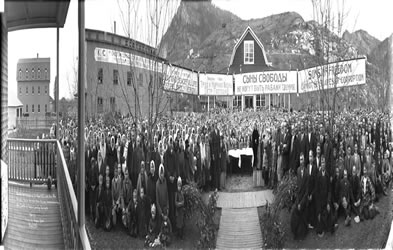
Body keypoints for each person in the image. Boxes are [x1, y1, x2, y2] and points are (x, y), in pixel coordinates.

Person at [291, 152, 308, 240]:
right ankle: (295, 232)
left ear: (304, 161)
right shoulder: (298, 170)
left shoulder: (306, 172)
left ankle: (301, 233)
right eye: (300, 159)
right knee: (294, 212)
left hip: (304, 199)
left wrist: (301, 202)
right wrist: (297, 201)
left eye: (303, 159)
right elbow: (297, 188)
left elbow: (306, 190)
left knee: (301, 212)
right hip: (298, 198)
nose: (301, 161)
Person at [315, 156, 334, 237]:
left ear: (325, 164)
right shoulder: (318, 176)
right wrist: (319, 208)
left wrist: (328, 202)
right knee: (320, 219)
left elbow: (329, 190)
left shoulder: (327, 174)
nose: (323, 164)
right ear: (320, 164)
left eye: (324, 163)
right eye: (321, 163)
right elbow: (317, 192)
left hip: (326, 201)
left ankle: (329, 226)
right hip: (320, 202)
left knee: (330, 217)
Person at [305, 149, 317, 229]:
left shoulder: (315, 168)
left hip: (313, 192)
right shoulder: (307, 166)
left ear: (313, 157)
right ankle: (308, 222)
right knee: (308, 208)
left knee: (312, 208)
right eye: (309, 156)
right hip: (307, 191)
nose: (310, 158)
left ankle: (312, 222)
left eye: (311, 156)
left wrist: (312, 194)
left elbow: (316, 183)